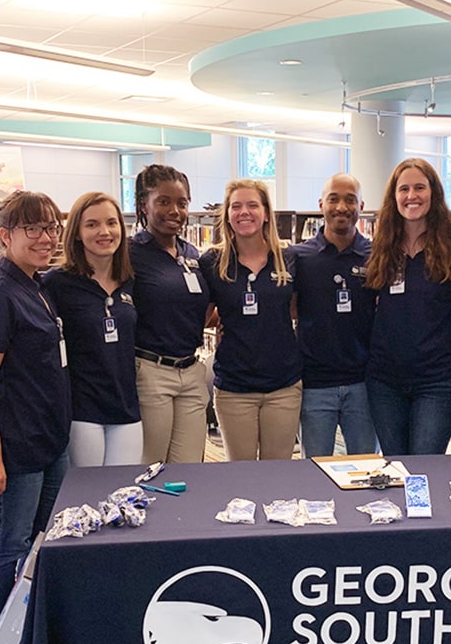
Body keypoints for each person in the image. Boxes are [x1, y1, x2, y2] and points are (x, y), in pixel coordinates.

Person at [0, 191, 71, 631]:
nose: (46, 238)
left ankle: (28, 625)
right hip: (12, 447)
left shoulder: (36, 284)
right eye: (34, 229)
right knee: (8, 544)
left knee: (42, 539)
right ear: (5, 235)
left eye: (51, 227)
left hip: (47, 440)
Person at [200, 179, 302, 460]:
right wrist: (230, 318)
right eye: (236, 206)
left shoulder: (289, 258)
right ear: (227, 215)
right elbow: (202, 315)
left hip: (283, 385)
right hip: (235, 387)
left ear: (267, 212)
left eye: (252, 205)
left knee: (277, 473)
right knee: (240, 474)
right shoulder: (212, 262)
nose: (244, 212)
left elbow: (295, 309)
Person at [365, 158, 451, 455]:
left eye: (420, 187)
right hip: (385, 380)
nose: (411, 196)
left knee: (425, 465)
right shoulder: (380, 247)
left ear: (433, 192)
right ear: (393, 196)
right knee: (394, 464)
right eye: (403, 189)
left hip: (436, 379)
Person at [43, 192, 142, 467]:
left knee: (123, 494)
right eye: (92, 224)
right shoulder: (57, 284)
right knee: (86, 498)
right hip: (82, 411)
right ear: (76, 233)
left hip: (126, 408)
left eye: (112, 223)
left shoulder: (131, 280)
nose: (104, 231)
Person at [129, 165, 211, 464]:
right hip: (151, 372)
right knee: (150, 468)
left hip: (191, 371)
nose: (174, 210)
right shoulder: (128, 255)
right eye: (163, 201)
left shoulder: (192, 255)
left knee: (189, 470)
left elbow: (203, 308)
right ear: (143, 205)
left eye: (182, 202)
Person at [292, 173, 378, 457]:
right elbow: (286, 307)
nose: (342, 206)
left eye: (350, 199)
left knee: (367, 471)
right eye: (334, 199)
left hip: (365, 384)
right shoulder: (299, 257)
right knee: (314, 472)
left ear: (361, 206)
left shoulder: (377, 255)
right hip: (315, 384)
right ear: (321, 204)